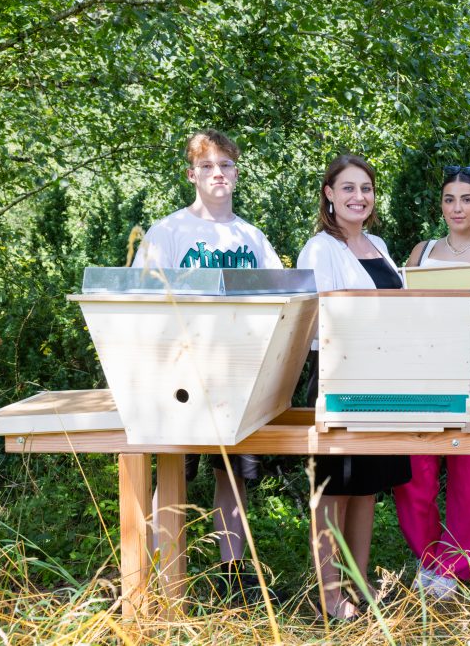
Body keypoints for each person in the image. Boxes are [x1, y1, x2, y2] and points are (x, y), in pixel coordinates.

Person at [132, 128, 283, 605]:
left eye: (227, 166)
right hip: (179, 373)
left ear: (237, 173)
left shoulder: (251, 236)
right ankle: (158, 573)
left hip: (237, 374)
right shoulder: (168, 232)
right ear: (191, 173)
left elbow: (282, 297)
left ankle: (233, 574)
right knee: (172, 468)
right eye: (208, 166)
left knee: (231, 475)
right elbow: (141, 301)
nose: (219, 174)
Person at [296, 154, 412, 620]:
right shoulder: (320, 249)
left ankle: (359, 587)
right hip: (340, 382)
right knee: (332, 491)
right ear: (329, 193)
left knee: (366, 488)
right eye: (347, 188)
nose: (358, 197)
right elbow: (320, 320)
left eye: (365, 188)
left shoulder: (379, 245)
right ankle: (329, 595)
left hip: (384, 384)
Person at [393, 165, 470, 599]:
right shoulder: (421, 252)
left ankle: (456, 567)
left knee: (469, 466)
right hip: (424, 364)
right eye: (449, 199)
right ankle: (429, 560)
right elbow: (403, 313)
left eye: (466, 199)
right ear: (441, 206)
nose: (457, 207)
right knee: (416, 465)